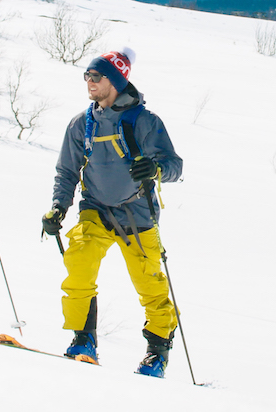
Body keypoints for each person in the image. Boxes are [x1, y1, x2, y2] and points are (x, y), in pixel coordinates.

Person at [42, 48, 183, 378]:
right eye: (87, 76)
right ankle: (83, 339)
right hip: (96, 210)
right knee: (78, 262)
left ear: (116, 81)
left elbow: (175, 166)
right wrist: (59, 207)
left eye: (97, 76)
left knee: (150, 284)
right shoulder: (81, 124)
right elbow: (67, 171)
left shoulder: (145, 122)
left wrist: (156, 169)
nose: (89, 82)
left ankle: (157, 353)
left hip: (138, 214)